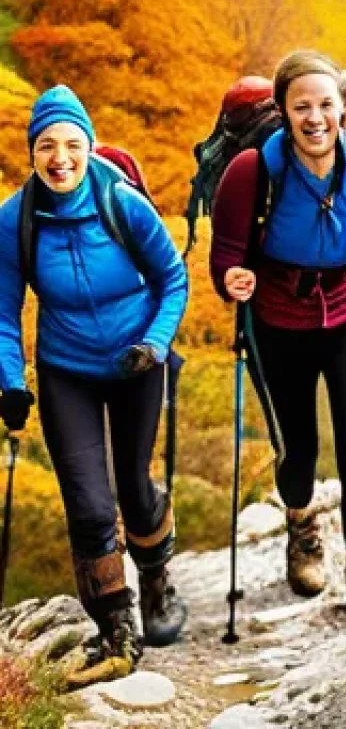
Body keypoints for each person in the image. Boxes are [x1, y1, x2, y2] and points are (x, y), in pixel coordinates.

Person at [210, 50, 346, 632]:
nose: (315, 117)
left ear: (343, 107)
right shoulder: (251, 173)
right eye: (301, 106)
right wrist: (232, 278)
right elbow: (225, 253)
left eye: (326, 104)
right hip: (280, 316)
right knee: (297, 450)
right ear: (283, 111)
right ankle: (303, 527)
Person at [0, 85, 189, 688]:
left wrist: (155, 343)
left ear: (89, 146)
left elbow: (172, 279)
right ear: (32, 152)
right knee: (87, 503)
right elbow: (3, 313)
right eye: (47, 146)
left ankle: (156, 579)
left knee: (134, 489)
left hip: (139, 358)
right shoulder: (15, 220)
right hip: (67, 370)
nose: (61, 157)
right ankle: (116, 634)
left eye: (72, 144)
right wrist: (10, 382)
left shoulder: (123, 202)